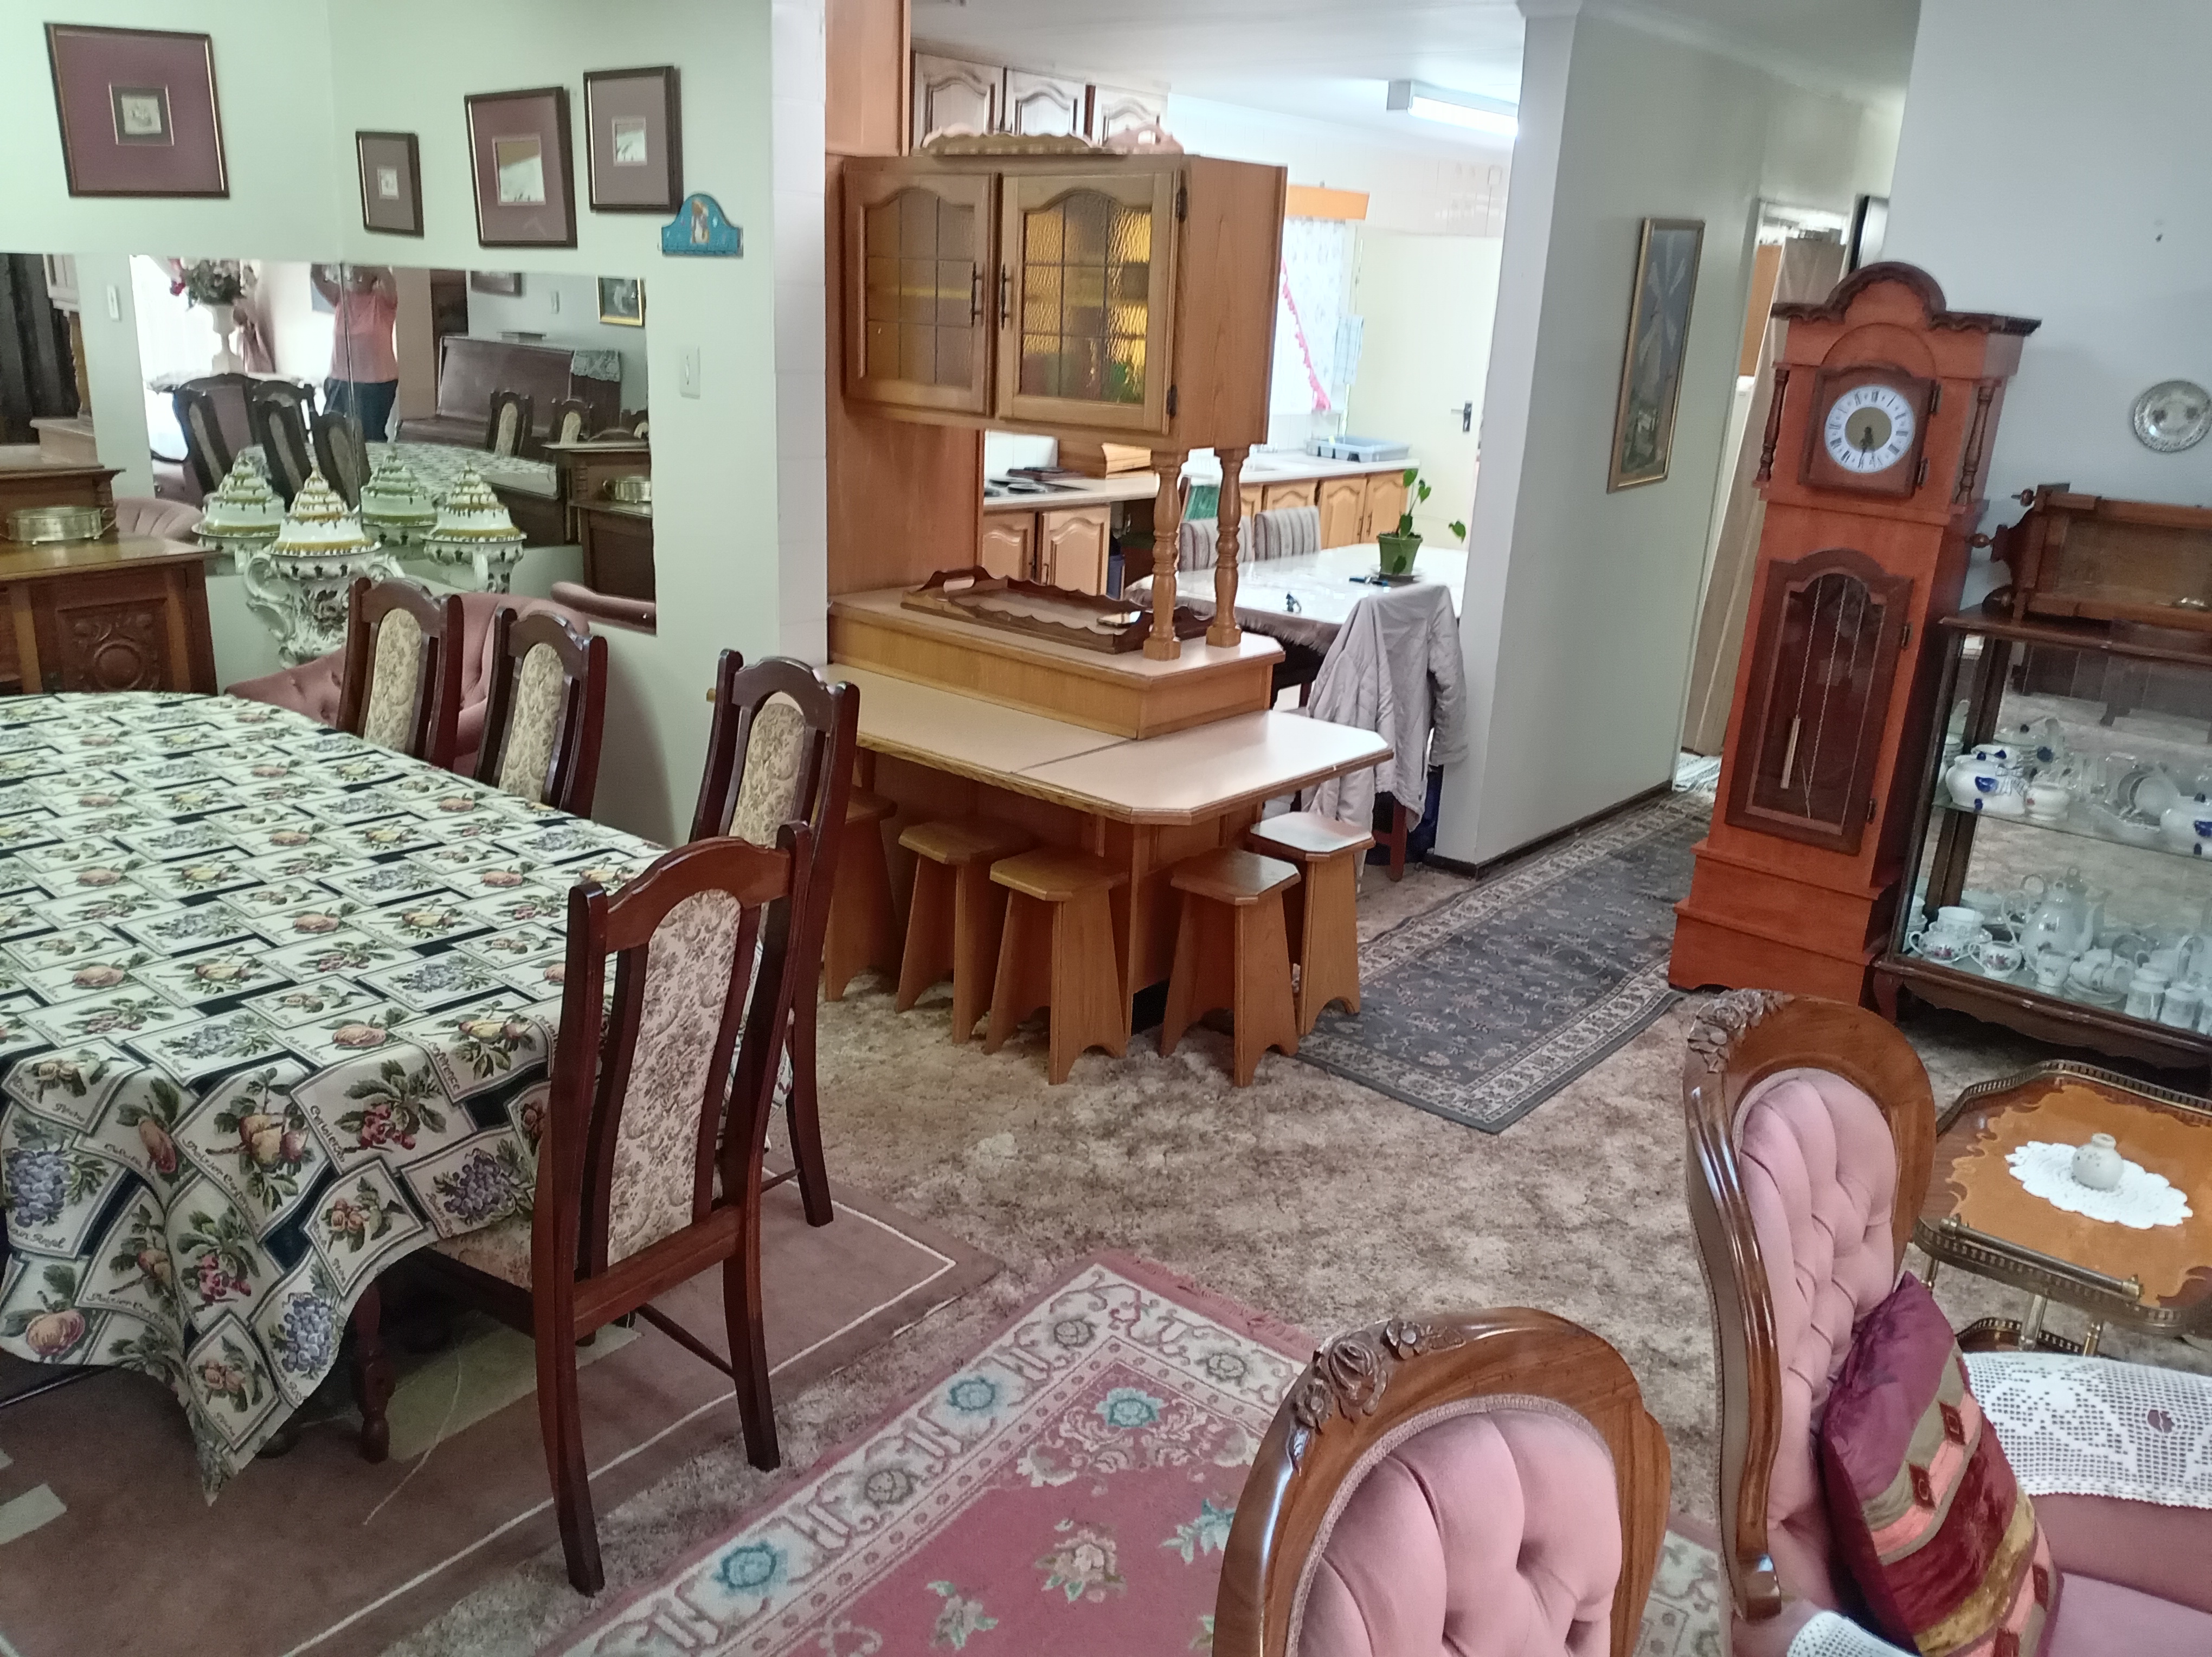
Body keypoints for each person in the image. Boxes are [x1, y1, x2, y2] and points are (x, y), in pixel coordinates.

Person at [311, 264, 399, 440]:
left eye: (359, 271)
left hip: (376, 384)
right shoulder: (341, 296)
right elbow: (316, 275)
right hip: (340, 380)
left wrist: (366, 256)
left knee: (369, 439)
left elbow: (387, 277)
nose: (353, 275)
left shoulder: (383, 301)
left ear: (372, 276)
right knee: (333, 436)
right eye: (351, 271)